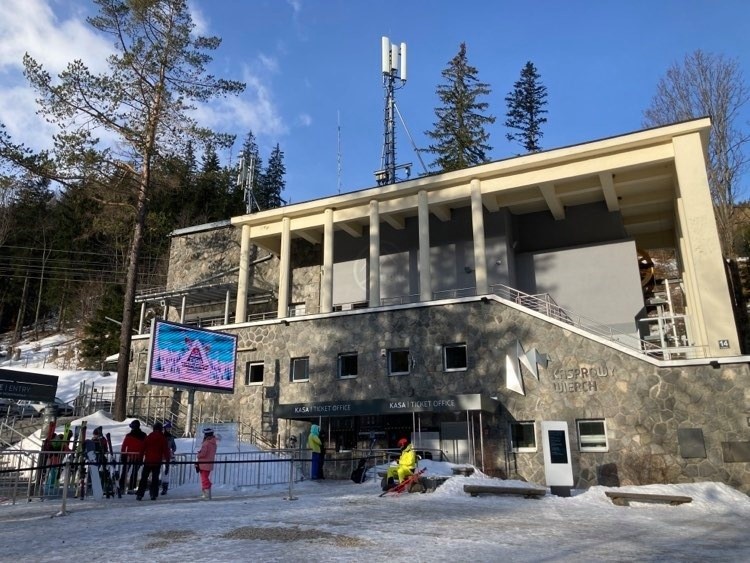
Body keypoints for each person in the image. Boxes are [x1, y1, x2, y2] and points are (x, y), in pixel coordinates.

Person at [136, 422, 171, 501]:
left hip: (148, 460)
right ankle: (153, 494)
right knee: (155, 478)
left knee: (144, 478)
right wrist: (167, 461)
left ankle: (140, 494)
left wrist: (140, 459)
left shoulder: (149, 437)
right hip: (157, 461)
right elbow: (166, 451)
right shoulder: (162, 438)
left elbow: (142, 449)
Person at [120, 419, 146, 494]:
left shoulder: (129, 436)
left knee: (124, 473)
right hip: (138, 457)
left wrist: (123, 455)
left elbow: (124, 446)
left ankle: (122, 487)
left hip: (128, 457)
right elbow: (145, 447)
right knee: (134, 474)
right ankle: (131, 488)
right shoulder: (143, 436)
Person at [196, 427, 217, 499]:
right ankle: (207, 493)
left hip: (204, 463)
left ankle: (206, 494)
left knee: (204, 478)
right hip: (209, 463)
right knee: (205, 477)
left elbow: (203, 454)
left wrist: (199, 454)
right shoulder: (213, 443)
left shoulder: (206, 443)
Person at [160, 421, 177, 495]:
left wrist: (171, 451)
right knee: (159, 473)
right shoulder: (160, 436)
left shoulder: (171, 437)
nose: (168, 429)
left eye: (169, 428)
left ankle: (164, 488)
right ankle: (158, 486)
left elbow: (174, 447)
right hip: (159, 456)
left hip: (166, 457)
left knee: (165, 472)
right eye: (167, 428)